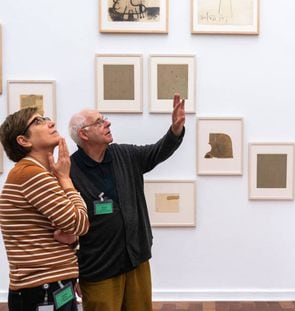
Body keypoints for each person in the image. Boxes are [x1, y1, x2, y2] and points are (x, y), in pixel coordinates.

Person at [67, 94, 185, 311]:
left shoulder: (125, 155)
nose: (107, 123)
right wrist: (72, 272)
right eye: (99, 122)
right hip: (98, 268)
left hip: (135, 259)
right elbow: (65, 225)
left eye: (104, 118)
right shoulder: (70, 171)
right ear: (83, 134)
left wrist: (175, 130)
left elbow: (157, 151)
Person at [0, 107, 90, 311]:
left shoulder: (40, 173)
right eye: (38, 121)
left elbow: (68, 229)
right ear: (24, 140)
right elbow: (80, 222)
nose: (50, 123)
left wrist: (73, 237)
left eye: (47, 118)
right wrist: (66, 179)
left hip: (49, 284)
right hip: (41, 288)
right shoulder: (31, 174)